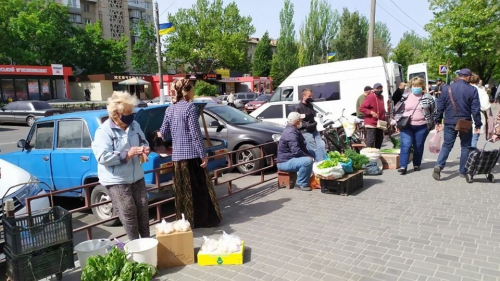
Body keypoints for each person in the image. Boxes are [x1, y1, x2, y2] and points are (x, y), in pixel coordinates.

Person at [158, 78, 222, 228]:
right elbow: (195, 134)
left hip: (177, 158)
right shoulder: (190, 108)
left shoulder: (169, 109)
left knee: (182, 193)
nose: (194, 92)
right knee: (198, 191)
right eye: (192, 89)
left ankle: (185, 223)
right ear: (186, 91)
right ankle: (202, 220)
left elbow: (163, 133)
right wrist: (203, 155)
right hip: (192, 157)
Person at [92, 91, 151, 240]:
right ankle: (135, 245)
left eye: (132, 112)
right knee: (128, 211)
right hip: (116, 179)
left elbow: (143, 141)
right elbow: (102, 156)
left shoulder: (134, 125)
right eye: (127, 113)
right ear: (116, 114)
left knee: (143, 209)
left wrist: (145, 148)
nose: (131, 116)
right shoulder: (103, 131)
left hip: (136, 175)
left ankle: (147, 242)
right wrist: (127, 154)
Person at [432, 68, 482, 181]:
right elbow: (475, 109)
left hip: (449, 121)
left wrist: (438, 121)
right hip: (465, 122)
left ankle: (439, 166)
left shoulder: (446, 88)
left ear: (459, 76)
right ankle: (463, 171)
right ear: (468, 77)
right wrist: (478, 124)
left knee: (447, 145)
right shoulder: (472, 90)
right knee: (465, 147)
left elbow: (440, 107)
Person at [392, 77, 436, 175]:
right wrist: (395, 120)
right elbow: (397, 109)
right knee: (406, 146)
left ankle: (416, 164)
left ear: (422, 86)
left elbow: (433, 111)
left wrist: (434, 123)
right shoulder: (405, 96)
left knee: (418, 146)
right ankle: (403, 166)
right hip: (407, 126)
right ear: (411, 86)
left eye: (418, 86)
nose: (416, 88)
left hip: (422, 126)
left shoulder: (428, 97)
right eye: (414, 86)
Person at [276, 112, 315, 191]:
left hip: (290, 159)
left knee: (312, 153)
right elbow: (296, 151)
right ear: (296, 121)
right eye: (300, 120)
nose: (301, 121)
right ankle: (300, 183)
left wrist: (309, 154)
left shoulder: (293, 130)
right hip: (284, 162)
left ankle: (307, 176)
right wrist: (308, 156)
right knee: (307, 161)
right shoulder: (290, 133)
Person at [295, 88, 326, 162]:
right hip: (305, 131)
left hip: (314, 129)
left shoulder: (310, 105)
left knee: (321, 146)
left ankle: (322, 163)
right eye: (309, 96)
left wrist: (317, 115)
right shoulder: (298, 108)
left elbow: (313, 114)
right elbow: (296, 121)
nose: (311, 98)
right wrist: (306, 125)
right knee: (313, 148)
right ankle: (316, 164)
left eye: (311, 96)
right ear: (303, 96)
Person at [359, 83, 386, 149]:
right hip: (371, 122)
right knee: (371, 140)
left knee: (380, 139)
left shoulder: (381, 97)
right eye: (377, 88)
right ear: (374, 89)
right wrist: (371, 112)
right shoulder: (370, 97)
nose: (379, 90)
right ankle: (369, 155)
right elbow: (361, 108)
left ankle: (376, 153)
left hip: (380, 122)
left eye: (380, 88)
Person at [469, 73, 491, 148]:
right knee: (474, 138)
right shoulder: (481, 91)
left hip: (463, 116)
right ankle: (470, 155)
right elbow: (485, 106)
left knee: (465, 141)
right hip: (477, 115)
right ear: (478, 81)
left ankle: (464, 156)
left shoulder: (463, 90)